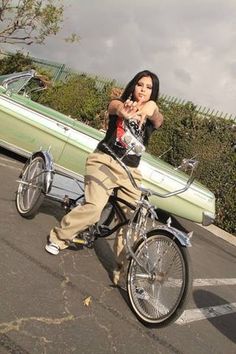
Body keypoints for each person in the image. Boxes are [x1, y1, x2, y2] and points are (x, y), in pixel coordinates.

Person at [45, 70, 163, 287]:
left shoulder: (151, 115)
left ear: (153, 92)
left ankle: (123, 271)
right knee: (94, 208)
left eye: (148, 87)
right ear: (133, 86)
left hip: (131, 172)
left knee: (130, 221)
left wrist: (149, 108)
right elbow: (114, 107)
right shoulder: (119, 103)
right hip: (104, 161)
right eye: (140, 85)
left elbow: (157, 116)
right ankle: (59, 237)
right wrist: (124, 112)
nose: (143, 90)